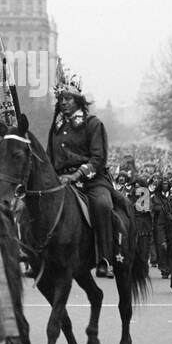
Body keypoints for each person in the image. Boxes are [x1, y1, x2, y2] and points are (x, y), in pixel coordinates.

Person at [47, 62, 123, 277]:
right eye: (61, 99)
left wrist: (77, 174)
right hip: (61, 179)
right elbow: (49, 157)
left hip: (91, 179)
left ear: (78, 101)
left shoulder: (93, 124)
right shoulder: (57, 127)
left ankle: (104, 258)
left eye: (68, 99)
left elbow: (98, 158)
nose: (64, 103)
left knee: (102, 205)